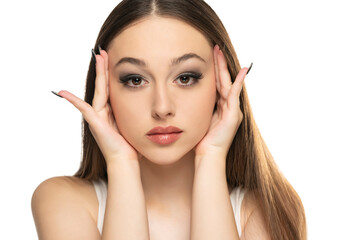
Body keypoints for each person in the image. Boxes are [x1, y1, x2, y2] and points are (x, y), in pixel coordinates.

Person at [31, 0, 306, 239]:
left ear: (222, 84)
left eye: (185, 78)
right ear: (105, 90)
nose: (162, 107)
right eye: (135, 80)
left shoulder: (270, 209)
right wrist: (121, 164)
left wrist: (211, 156)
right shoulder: (62, 201)